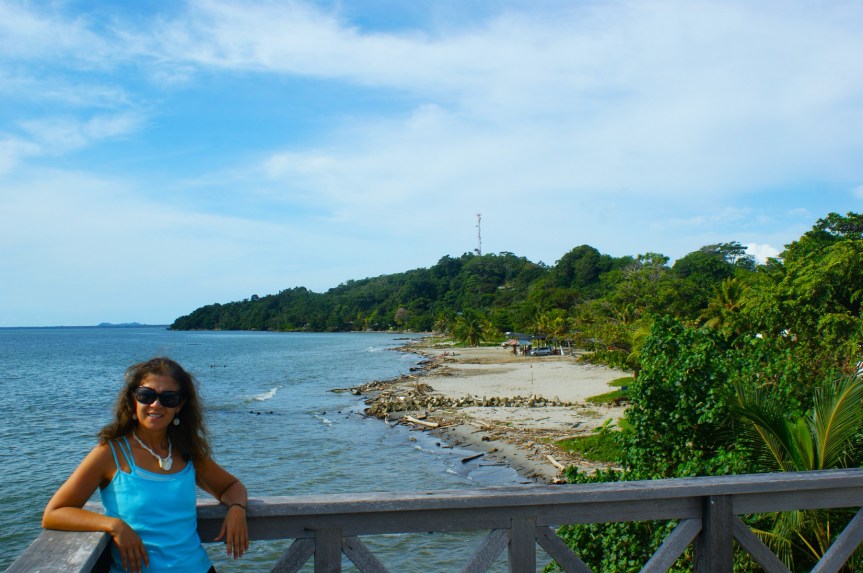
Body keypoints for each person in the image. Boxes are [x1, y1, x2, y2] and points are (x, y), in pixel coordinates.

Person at [43, 357, 249, 573]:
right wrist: (114, 525)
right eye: (147, 395)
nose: (156, 405)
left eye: (168, 398)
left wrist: (236, 509)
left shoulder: (186, 451)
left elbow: (231, 487)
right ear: (134, 399)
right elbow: (55, 512)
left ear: (179, 406)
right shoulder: (110, 453)